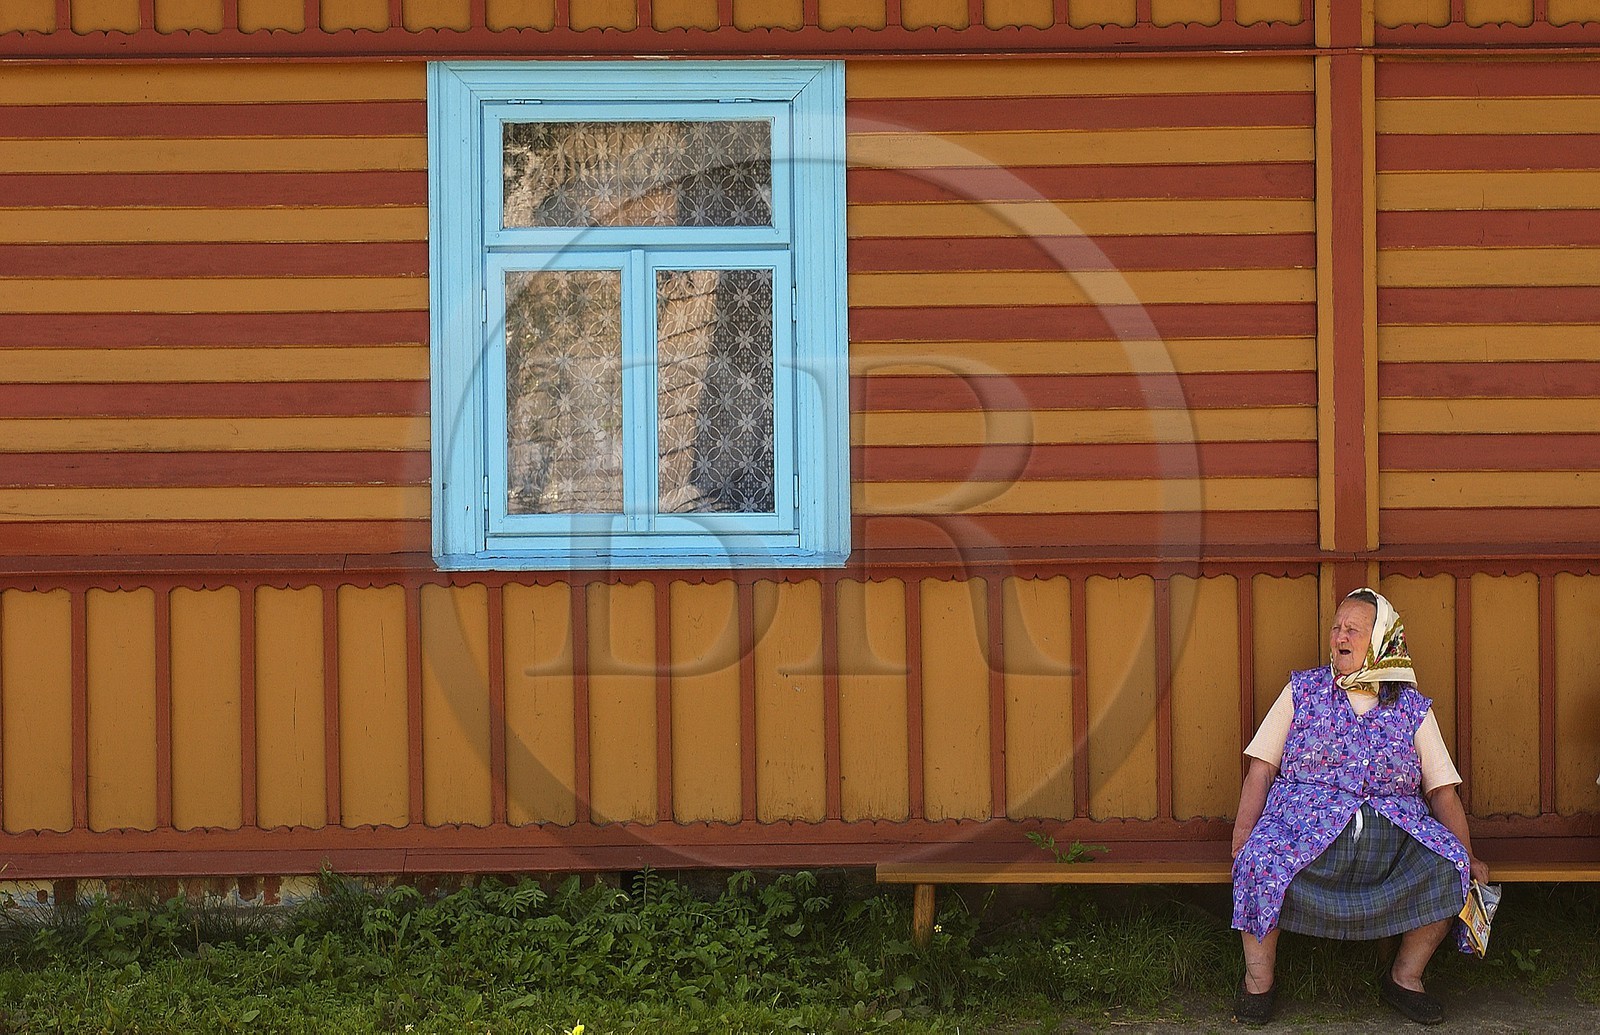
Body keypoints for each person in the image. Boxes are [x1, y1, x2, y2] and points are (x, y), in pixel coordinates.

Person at [1230, 588, 1489, 1026]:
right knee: (1258, 861)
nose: (1338, 637)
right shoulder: (1302, 691)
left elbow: (1442, 792)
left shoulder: (1411, 708)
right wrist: (1242, 839)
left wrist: (1467, 854)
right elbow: (1261, 769)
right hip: (1304, 834)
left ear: (1383, 639)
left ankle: (1405, 977)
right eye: (1335, 628)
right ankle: (1259, 983)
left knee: (1451, 867)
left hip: (1393, 844)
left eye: (1353, 629)